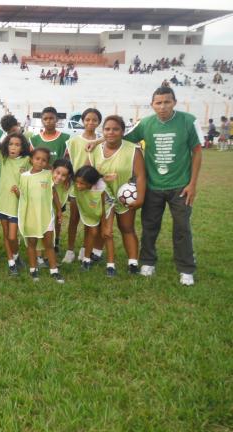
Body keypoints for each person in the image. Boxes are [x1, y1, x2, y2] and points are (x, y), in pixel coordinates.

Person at [123, 86, 202, 286]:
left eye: (167, 102)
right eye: (158, 102)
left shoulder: (188, 121)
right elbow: (121, 138)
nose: (162, 106)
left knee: (182, 228)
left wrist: (192, 184)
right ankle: (148, 261)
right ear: (152, 105)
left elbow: (197, 152)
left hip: (181, 186)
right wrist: (97, 141)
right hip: (152, 186)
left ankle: (186, 269)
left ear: (174, 102)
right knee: (149, 226)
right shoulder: (146, 123)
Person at [90, 115, 146, 276]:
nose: (111, 132)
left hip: (124, 196)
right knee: (102, 226)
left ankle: (133, 262)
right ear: (103, 131)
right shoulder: (95, 150)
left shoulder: (133, 149)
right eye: (107, 129)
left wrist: (140, 198)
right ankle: (97, 253)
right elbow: (89, 173)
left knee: (126, 227)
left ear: (122, 131)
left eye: (116, 129)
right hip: (102, 196)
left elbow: (141, 175)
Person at [15, 147, 65, 283]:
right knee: (31, 243)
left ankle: (54, 270)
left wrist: (59, 210)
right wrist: (17, 192)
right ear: (31, 159)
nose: (40, 162)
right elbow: (23, 196)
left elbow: (53, 193)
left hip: (46, 215)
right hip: (30, 215)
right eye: (37, 158)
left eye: (44, 160)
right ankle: (33, 269)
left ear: (47, 163)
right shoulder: (24, 176)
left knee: (49, 243)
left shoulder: (49, 175)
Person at [62, 108, 102, 263]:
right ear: (83, 121)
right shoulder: (74, 141)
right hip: (76, 186)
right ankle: (70, 250)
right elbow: (67, 160)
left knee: (89, 220)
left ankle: (86, 249)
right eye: (87, 119)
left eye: (94, 120)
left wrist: (98, 141)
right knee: (74, 219)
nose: (90, 122)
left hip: (92, 187)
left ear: (99, 122)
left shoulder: (102, 140)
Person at [0, 132, 30, 275]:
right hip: (2, 204)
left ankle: (16, 256)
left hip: (17, 205)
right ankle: (11, 263)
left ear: (22, 148)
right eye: (10, 144)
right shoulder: (2, 158)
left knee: (12, 237)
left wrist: (20, 192)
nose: (13, 147)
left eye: (17, 145)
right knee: (6, 235)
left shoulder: (27, 160)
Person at [72, 166, 109, 272]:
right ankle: (86, 259)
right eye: (77, 182)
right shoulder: (76, 185)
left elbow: (103, 207)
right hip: (89, 211)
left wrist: (104, 224)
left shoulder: (100, 190)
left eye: (82, 183)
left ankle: (99, 256)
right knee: (92, 232)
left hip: (103, 212)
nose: (78, 186)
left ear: (92, 183)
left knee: (103, 233)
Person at [51, 158, 74, 256]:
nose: (59, 177)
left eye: (63, 175)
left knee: (58, 221)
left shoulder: (68, 183)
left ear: (68, 176)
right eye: (57, 172)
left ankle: (56, 241)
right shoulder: (46, 177)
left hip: (60, 201)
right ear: (52, 170)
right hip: (46, 203)